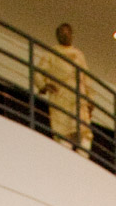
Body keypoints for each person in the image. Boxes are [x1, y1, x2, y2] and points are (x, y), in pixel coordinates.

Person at [35, 24, 93, 155]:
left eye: (67, 33)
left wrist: (90, 99)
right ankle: (64, 157)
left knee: (83, 132)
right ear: (57, 36)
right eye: (61, 33)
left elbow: (86, 78)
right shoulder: (51, 53)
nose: (64, 36)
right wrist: (43, 85)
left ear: (72, 35)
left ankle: (83, 160)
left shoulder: (79, 55)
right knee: (63, 131)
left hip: (79, 97)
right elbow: (38, 73)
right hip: (61, 96)